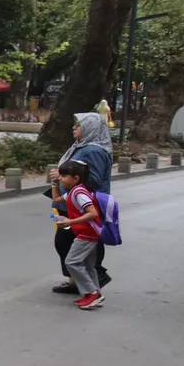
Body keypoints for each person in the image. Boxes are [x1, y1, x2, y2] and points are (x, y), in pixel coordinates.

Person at [49, 113, 111, 294]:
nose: (74, 128)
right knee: (66, 241)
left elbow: (94, 179)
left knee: (80, 243)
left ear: (90, 128)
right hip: (72, 202)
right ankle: (77, 281)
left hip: (83, 205)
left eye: (78, 126)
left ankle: (90, 281)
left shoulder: (93, 151)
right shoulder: (81, 147)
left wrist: (64, 177)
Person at [52, 160, 104, 310]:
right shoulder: (74, 191)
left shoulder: (79, 193)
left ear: (75, 178)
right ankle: (93, 294)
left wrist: (71, 221)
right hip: (89, 233)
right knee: (88, 266)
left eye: (63, 175)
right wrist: (54, 184)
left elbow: (93, 213)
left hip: (86, 234)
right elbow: (56, 200)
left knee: (72, 261)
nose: (60, 178)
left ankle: (92, 293)